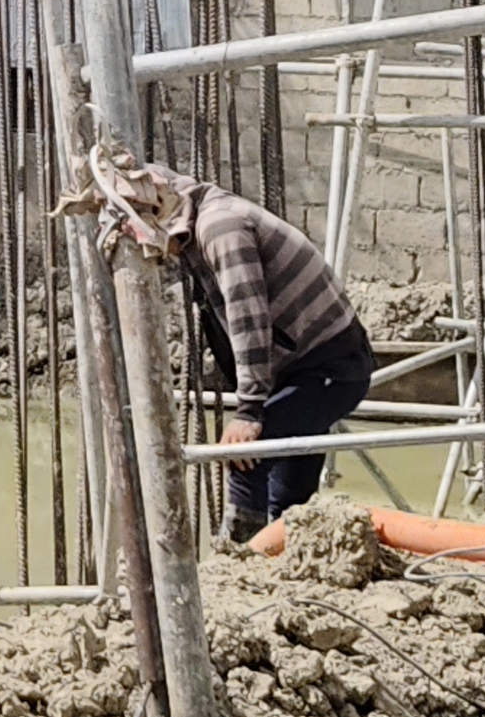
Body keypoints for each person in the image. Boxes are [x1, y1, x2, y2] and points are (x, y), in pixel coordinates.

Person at [86, 143, 374, 533]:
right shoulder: (201, 222)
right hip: (298, 369)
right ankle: (285, 558)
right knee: (290, 498)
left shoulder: (221, 228)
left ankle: (239, 564)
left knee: (245, 457)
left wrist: (250, 410)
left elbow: (247, 316)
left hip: (328, 368)